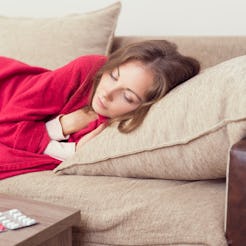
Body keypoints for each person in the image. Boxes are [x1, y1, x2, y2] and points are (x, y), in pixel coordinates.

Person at [0, 40, 200, 179]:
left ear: (144, 106)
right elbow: (5, 126)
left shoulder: (118, 127)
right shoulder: (89, 69)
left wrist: (69, 149)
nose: (107, 93)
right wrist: (63, 125)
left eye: (128, 96)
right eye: (113, 76)